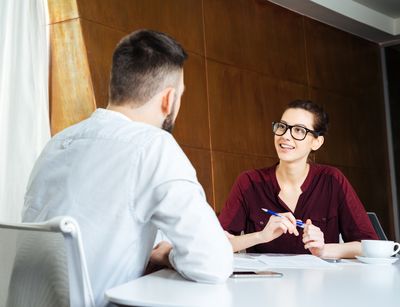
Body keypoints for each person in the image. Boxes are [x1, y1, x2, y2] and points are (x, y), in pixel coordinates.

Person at [22, 29, 233, 306]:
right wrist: (168, 254)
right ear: (168, 99)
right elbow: (213, 263)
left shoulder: (56, 143)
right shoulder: (153, 147)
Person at [218, 100, 378, 259]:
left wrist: (324, 250)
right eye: (282, 127)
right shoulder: (249, 182)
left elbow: (368, 245)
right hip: (267, 282)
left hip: (322, 283)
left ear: (316, 142)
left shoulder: (331, 180)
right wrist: (261, 236)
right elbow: (216, 243)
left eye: (299, 130)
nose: (285, 136)